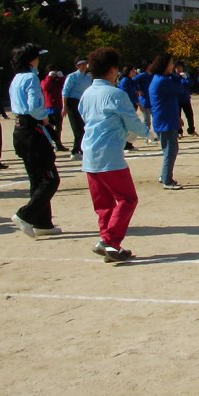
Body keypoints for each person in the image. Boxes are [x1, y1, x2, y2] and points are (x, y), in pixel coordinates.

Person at [79, 47, 150, 263]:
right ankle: (109, 240)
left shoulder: (87, 93)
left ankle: (110, 245)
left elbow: (83, 116)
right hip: (110, 156)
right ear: (112, 69)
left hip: (90, 155)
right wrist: (151, 135)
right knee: (128, 199)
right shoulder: (115, 93)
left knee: (104, 205)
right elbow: (132, 121)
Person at [8, 44, 62, 237]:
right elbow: (34, 106)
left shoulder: (16, 79)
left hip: (20, 130)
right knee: (51, 179)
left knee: (36, 179)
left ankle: (43, 223)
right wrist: (44, 117)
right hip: (32, 130)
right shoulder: (31, 78)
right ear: (31, 59)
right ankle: (25, 214)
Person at [149, 53, 190, 189]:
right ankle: (167, 180)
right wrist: (179, 77)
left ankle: (164, 175)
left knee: (170, 149)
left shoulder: (161, 78)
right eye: (171, 63)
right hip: (165, 120)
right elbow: (180, 89)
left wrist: (177, 118)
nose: (173, 66)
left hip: (167, 118)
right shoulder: (163, 80)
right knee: (170, 150)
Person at [62, 57, 93, 159]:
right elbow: (65, 92)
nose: (84, 66)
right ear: (77, 66)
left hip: (83, 103)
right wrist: (64, 106)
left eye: (85, 64)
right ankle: (75, 151)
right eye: (81, 64)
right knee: (77, 129)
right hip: (72, 102)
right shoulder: (72, 76)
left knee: (84, 128)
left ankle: (82, 150)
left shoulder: (89, 77)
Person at [41, 65, 68, 151]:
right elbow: (45, 87)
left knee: (59, 127)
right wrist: (49, 77)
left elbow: (66, 87)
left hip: (59, 106)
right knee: (49, 126)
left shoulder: (59, 81)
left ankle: (58, 143)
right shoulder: (45, 81)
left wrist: (62, 77)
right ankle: (48, 143)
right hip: (49, 107)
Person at [117, 66, 139, 150]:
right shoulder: (125, 81)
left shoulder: (131, 81)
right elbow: (125, 95)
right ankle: (125, 144)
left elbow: (135, 91)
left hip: (132, 105)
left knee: (130, 125)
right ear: (128, 72)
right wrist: (136, 101)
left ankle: (128, 144)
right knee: (128, 125)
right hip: (127, 106)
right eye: (133, 71)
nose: (134, 72)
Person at [133, 65, 156, 142]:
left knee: (156, 118)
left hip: (153, 100)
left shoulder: (153, 75)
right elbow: (132, 82)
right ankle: (147, 136)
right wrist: (138, 90)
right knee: (147, 120)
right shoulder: (142, 75)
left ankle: (158, 134)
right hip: (145, 100)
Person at [174, 61, 198, 137]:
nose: (179, 69)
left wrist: (186, 77)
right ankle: (179, 131)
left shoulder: (185, 75)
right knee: (177, 116)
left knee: (190, 115)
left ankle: (191, 130)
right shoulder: (173, 77)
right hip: (177, 100)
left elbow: (191, 84)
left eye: (180, 67)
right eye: (177, 68)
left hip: (185, 99)